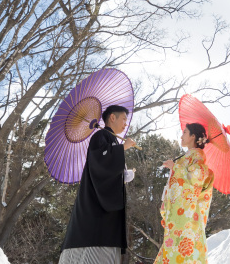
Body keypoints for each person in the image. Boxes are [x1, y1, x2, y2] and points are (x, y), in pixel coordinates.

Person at [59, 105, 137, 264]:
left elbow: (110, 171)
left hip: (107, 208)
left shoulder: (112, 139)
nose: (125, 124)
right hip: (96, 208)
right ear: (112, 118)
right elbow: (99, 162)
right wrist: (124, 147)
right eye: (123, 119)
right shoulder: (101, 135)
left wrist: (124, 175)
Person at [155, 123, 215, 264]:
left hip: (186, 216)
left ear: (193, 136)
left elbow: (196, 177)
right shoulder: (188, 156)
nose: (181, 136)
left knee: (181, 250)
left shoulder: (198, 156)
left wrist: (175, 167)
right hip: (179, 215)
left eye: (185, 132)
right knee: (175, 249)